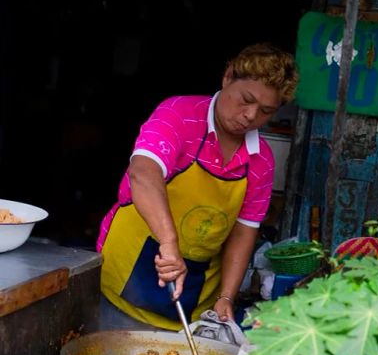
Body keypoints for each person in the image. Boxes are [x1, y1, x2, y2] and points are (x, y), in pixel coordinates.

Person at [96, 43, 299, 331]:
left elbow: (244, 231)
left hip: (195, 291)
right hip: (125, 274)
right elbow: (143, 173)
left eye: (266, 111)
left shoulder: (261, 159)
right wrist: (169, 242)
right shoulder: (179, 114)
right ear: (228, 77)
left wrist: (227, 296)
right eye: (246, 99)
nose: (251, 116)